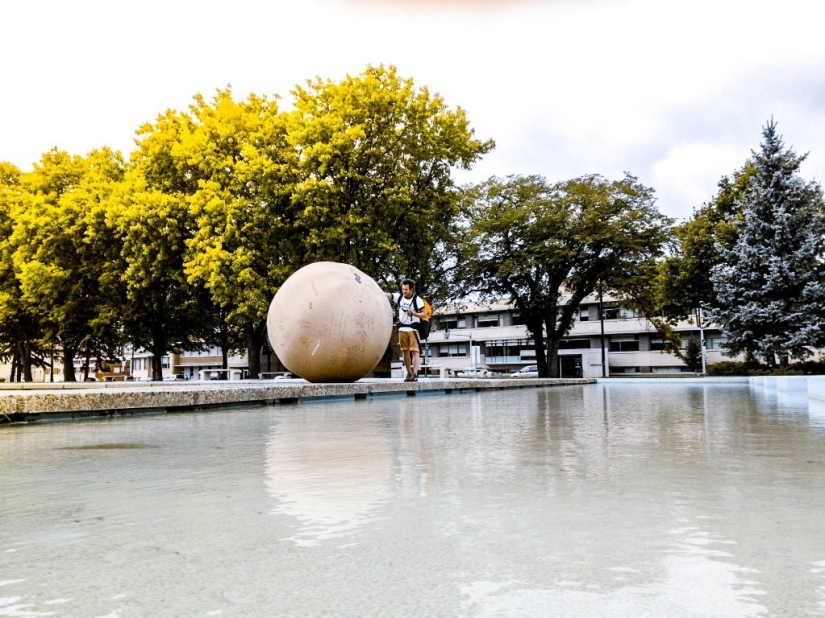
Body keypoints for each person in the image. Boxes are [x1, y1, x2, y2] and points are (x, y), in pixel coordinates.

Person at [387, 279, 427, 382]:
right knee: (405, 352)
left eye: (406, 289)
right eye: (403, 289)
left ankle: (415, 373)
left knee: (415, 352)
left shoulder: (417, 300)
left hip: (413, 329)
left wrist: (414, 314)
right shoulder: (399, 297)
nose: (404, 291)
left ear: (411, 289)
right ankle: (409, 373)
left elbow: (424, 314)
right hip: (402, 329)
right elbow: (389, 295)